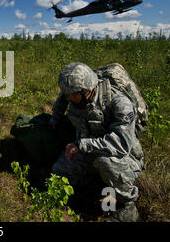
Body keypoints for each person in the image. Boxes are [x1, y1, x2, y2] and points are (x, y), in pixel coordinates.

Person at [48, 62, 144, 222]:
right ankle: (95, 185)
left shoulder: (119, 103)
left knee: (105, 163)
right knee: (58, 174)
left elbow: (121, 144)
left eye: (73, 95)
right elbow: (61, 101)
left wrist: (81, 145)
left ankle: (126, 208)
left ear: (87, 90)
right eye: (68, 95)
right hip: (89, 150)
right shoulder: (73, 94)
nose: (70, 98)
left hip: (121, 157)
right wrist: (54, 118)